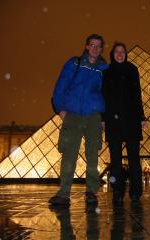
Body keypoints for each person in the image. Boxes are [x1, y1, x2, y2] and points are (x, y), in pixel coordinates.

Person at [49, 34, 108, 206]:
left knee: (92, 157)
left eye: (98, 46)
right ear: (87, 46)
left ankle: (91, 191)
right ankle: (63, 193)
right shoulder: (74, 64)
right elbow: (60, 86)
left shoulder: (105, 69)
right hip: (72, 115)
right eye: (92, 45)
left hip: (94, 116)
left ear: (101, 49)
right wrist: (60, 110)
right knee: (69, 155)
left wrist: (103, 117)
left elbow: (107, 95)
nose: (95, 48)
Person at [102, 42, 146, 204]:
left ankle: (135, 192)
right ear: (112, 54)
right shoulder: (106, 72)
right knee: (115, 160)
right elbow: (103, 97)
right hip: (113, 120)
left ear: (126, 54)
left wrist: (142, 117)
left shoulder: (133, 70)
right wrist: (102, 119)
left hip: (132, 119)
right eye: (116, 52)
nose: (120, 54)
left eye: (122, 52)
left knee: (134, 158)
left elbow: (137, 95)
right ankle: (117, 192)